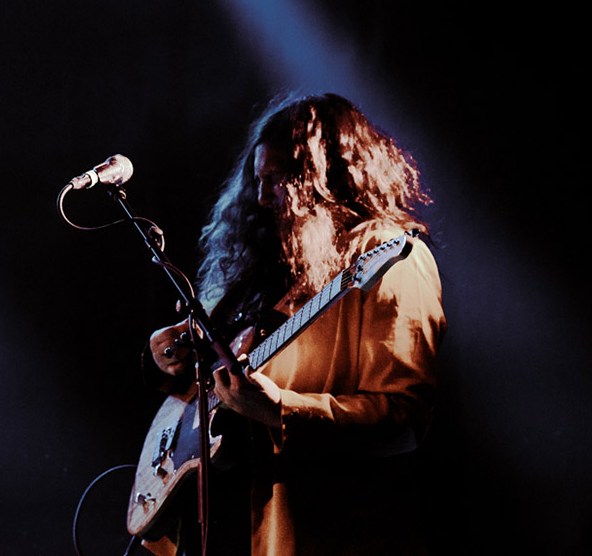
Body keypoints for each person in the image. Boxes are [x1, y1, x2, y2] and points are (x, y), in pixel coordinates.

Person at [139, 93, 446, 556]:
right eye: (258, 181)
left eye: (278, 181)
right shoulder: (267, 264)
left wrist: (279, 408)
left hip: (314, 527)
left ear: (327, 181)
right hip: (223, 523)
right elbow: (211, 383)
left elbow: (401, 418)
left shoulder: (389, 258)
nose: (261, 199)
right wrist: (168, 357)